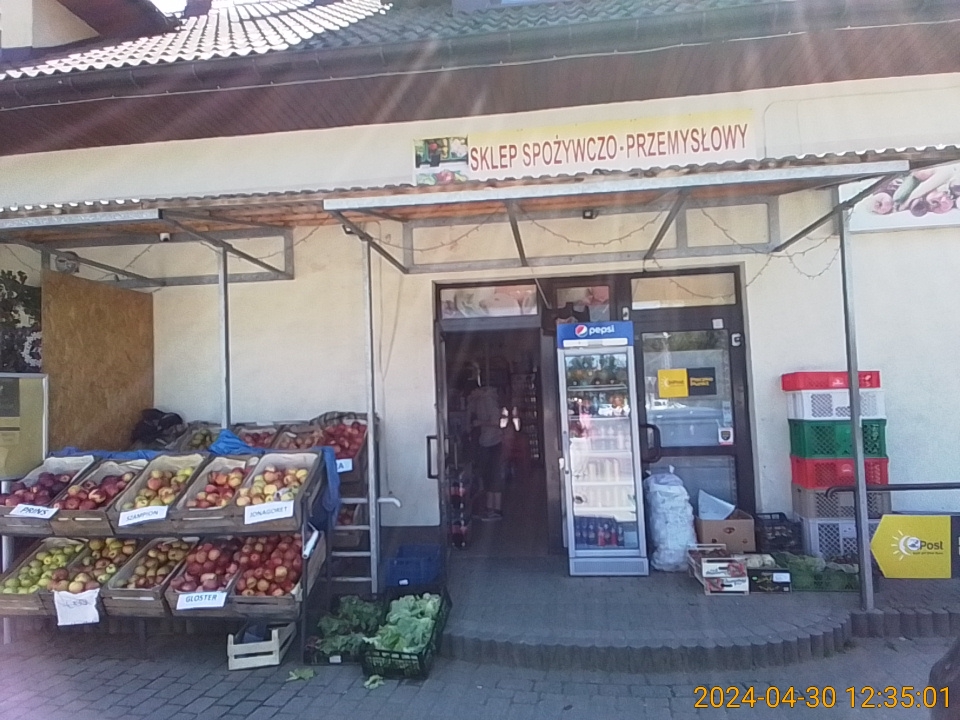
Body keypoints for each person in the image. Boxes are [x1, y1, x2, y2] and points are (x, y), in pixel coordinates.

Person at [467, 367, 504, 521]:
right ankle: (491, 509)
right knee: (489, 476)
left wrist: (479, 423)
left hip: (492, 441)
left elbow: (496, 421)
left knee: (492, 476)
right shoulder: (482, 399)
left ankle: (495, 510)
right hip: (488, 441)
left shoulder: (487, 399)